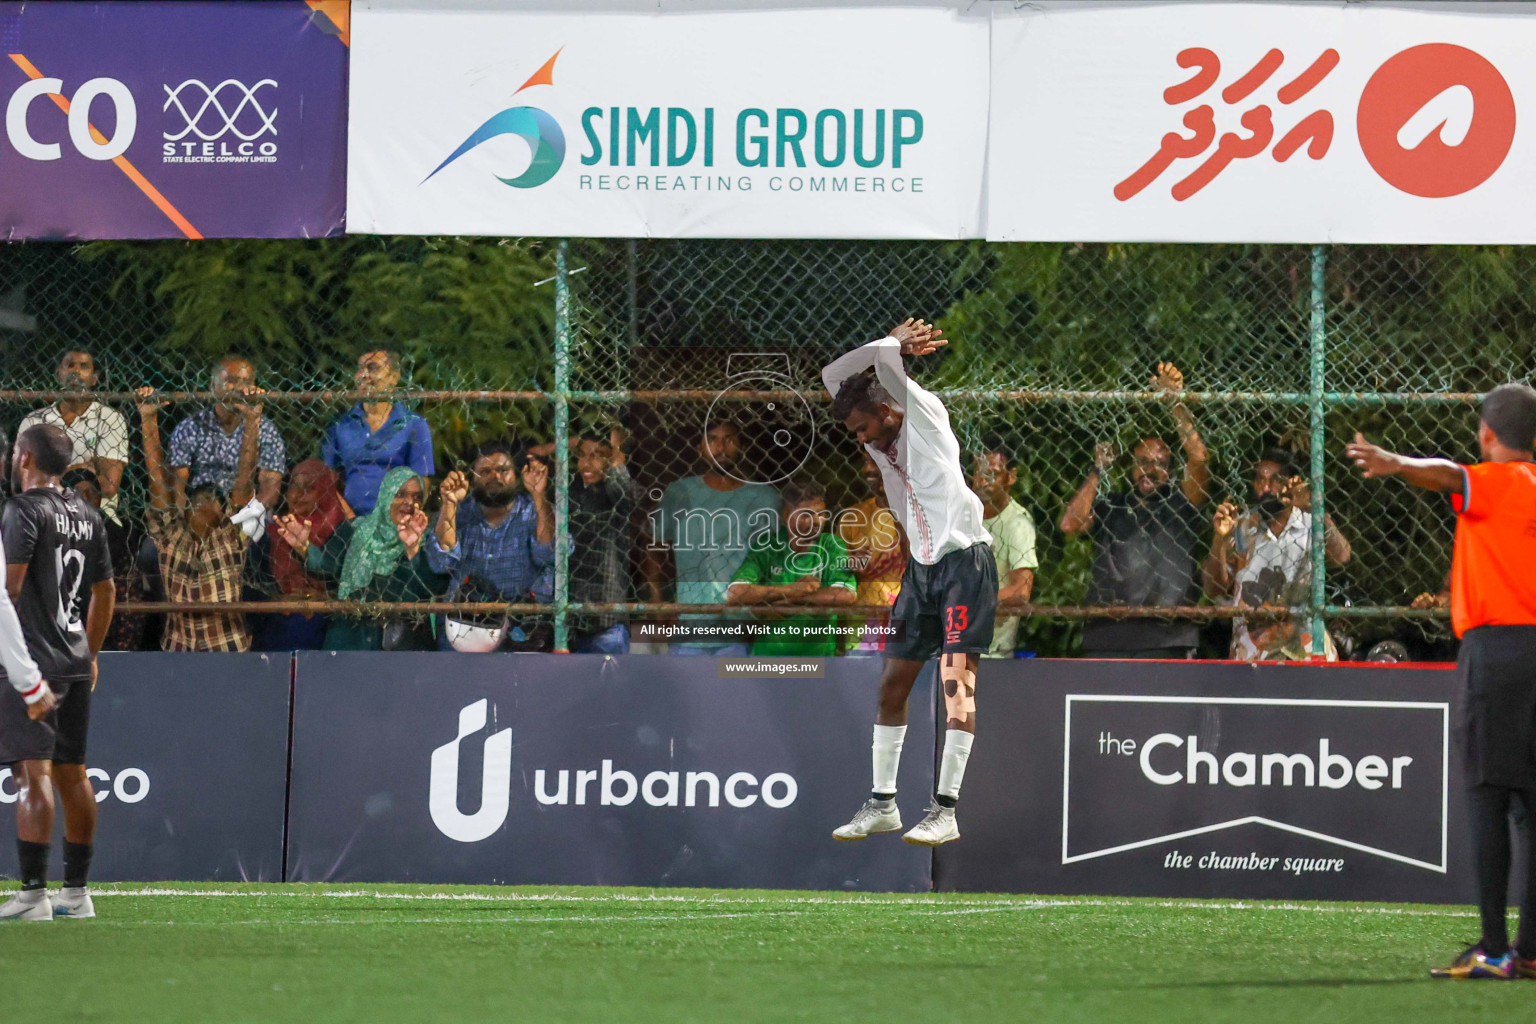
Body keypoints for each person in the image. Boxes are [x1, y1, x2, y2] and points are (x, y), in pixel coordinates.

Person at [1346, 384, 1536, 980]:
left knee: (1486, 795)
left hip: (1498, 651)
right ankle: (1529, 951)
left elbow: (1453, 477)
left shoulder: (1500, 481)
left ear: (1487, 433)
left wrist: (1395, 462)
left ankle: (1495, 949)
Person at [823, 318, 997, 847]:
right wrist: (883, 342)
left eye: (863, 429)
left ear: (885, 410)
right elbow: (835, 374)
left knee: (955, 689)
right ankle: (882, 804)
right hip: (920, 573)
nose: (861, 441)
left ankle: (944, 811)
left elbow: (887, 367)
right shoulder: (878, 440)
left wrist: (892, 344)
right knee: (890, 686)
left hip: (965, 564)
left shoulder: (922, 415)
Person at [0, 424, 114, 922]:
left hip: (32, 662)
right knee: (73, 772)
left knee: (32, 773)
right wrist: (90, 651)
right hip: (72, 658)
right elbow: (106, 590)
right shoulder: (90, 514)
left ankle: (31, 895)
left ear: (24, 457)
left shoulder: (23, 510)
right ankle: (77, 892)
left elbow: (10, 589)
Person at [1060, 362, 1211, 659]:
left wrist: (1174, 403)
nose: (1149, 470)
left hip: (1168, 637)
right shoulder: (1113, 504)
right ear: (1130, 466)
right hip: (1108, 634)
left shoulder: (1181, 505)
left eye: (1158, 464)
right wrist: (1098, 469)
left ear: (1170, 471)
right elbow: (1070, 524)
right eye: (1142, 461)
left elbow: (1199, 457)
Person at [139, 386, 261, 652]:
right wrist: (148, 419)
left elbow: (244, 482)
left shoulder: (230, 539)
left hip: (226, 650)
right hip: (179, 650)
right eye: (197, 496)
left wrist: (251, 422)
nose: (203, 500)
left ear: (223, 513)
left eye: (213, 498)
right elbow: (158, 483)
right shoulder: (172, 536)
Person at [645, 419, 781, 657]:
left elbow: (778, 558)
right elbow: (655, 547)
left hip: (742, 629)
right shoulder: (680, 493)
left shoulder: (764, 497)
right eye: (712, 439)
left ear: (741, 446)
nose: (721, 446)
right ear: (699, 448)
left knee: (732, 693)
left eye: (729, 439)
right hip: (688, 628)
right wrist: (658, 602)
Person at [1204, 447, 1351, 661]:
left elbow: (1343, 556)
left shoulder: (1309, 522)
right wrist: (1219, 538)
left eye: (1274, 480)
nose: (1265, 488)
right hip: (1251, 653)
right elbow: (1213, 588)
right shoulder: (1242, 526)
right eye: (1260, 480)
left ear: (1289, 484)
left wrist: (1314, 508)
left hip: (1304, 649)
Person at [276, 466, 446, 651]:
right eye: (400, 494)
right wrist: (304, 548)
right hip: (350, 639)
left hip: (399, 648)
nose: (409, 502)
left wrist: (412, 549)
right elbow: (326, 567)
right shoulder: (355, 530)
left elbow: (429, 589)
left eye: (417, 497)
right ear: (385, 495)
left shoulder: (427, 539)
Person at [427, 441, 554, 652]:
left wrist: (539, 495)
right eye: (485, 471)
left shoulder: (534, 511)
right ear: (473, 478)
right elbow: (442, 562)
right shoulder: (461, 511)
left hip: (520, 631)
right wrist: (449, 503)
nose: (495, 476)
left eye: (503, 470)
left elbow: (548, 555)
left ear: (516, 474)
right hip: (463, 627)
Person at [727, 478, 857, 655]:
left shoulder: (832, 545)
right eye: (806, 514)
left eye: (821, 513)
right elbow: (736, 592)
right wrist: (792, 589)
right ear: (786, 515)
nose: (816, 521)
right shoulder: (768, 545)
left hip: (818, 660)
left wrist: (789, 601)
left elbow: (845, 595)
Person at [166, 356, 285, 536]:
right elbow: (178, 486)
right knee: (153, 550)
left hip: (248, 513)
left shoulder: (266, 430)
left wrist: (240, 517)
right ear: (213, 386)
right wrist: (188, 518)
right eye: (231, 381)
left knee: (261, 542)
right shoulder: (190, 427)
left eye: (246, 382)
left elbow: (270, 490)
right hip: (198, 511)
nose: (239, 388)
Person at [17, 350, 130, 524]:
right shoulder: (34, 420)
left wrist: (49, 475)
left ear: (94, 378)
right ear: (58, 374)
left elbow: (108, 487)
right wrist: (83, 471)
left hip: (96, 517)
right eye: (70, 365)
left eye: (83, 366)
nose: (75, 371)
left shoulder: (109, 418)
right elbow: (24, 482)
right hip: (44, 515)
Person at [322, 348, 435, 516]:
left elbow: (422, 481)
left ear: (394, 377)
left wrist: (398, 518)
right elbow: (327, 481)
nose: (363, 375)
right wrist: (350, 520)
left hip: (397, 521)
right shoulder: (341, 425)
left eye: (373, 368)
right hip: (348, 521)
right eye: (360, 369)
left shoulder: (413, 424)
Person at [62, 468, 154, 652]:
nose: (84, 498)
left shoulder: (114, 537)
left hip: (108, 640)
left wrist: (118, 651)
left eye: (90, 493)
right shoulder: (53, 533)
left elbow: (127, 600)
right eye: (77, 493)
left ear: (98, 499)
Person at [260, 460, 349, 651]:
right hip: (280, 619)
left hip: (327, 622)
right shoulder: (274, 531)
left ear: (325, 490)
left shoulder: (344, 532)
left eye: (309, 488)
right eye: (294, 486)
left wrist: (321, 597)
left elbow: (344, 580)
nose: (297, 495)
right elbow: (257, 584)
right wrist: (278, 599)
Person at [567, 427, 635, 654]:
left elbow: (624, 493)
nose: (587, 462)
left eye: (597, 455)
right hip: (571, 618)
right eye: (583, 455)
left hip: (607, 620)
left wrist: (616, 454)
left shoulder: (618, 497)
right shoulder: (573, 493)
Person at [970, 444, 1039, 659]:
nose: (983, 481)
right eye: (979, 473)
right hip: (950, 642)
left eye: (992, 474)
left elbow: (1021, 590)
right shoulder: (963, 515)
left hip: (992, 650)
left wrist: (972, 603)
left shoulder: (1017, 523)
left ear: (1011, 477)